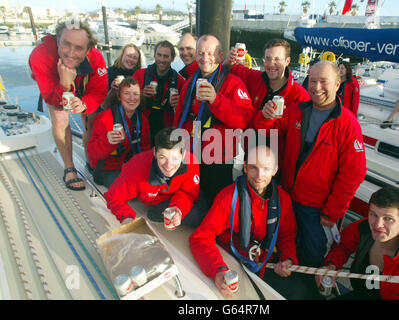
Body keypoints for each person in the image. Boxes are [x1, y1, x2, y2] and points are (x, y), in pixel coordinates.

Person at [253, 60, 367, 268]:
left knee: (312, 254)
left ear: (337, 84)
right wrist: (265, 116)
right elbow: (267, 132)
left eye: (324, 82)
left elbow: (354, 173)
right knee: (282, 244)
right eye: (313, 81)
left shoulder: (347, 124)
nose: (316, 87)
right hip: (287, 197)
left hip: (318, 209)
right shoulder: (296, 110)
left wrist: (332, 212)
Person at [189, 145, 314, 299]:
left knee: (299, 291)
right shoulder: (228, 198)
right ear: (245, 168)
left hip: (264, 265)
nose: (259, 175)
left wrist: (287, 258)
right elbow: (200, 238)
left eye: (266, 169)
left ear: (275, 170)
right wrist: (218, 270)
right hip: (232, 263)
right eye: (254, 168)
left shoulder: (283, 200)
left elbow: (287, 235)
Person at [317, 186, 399, 300]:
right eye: (373, 214)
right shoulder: (363, 229)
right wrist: (331, 266)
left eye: (388, 219)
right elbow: (343, 247)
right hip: (362, 294)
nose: (377, 225)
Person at [173, 34, 255, 206]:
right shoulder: (189, 84)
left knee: (216, 202)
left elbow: (244, 119)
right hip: (192, 152)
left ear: (220, 56)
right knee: (191, 195)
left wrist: (216, 100)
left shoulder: (234, 83)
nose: (205, 58)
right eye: (201, 53)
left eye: (210, 54)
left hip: (219, 156)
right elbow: (180, 116)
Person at [29, 19, 108, 191]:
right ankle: (69, 167)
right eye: (66, 44)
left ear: (88, 49)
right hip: (56, 85)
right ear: (58, 40)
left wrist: (85, 104)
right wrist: (64, 85)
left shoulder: (96, 58)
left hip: (83, 85)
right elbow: (51, 98)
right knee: (59, 116)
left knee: (91, 119)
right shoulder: (40, 56)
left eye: (79, 48)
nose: (71, 53)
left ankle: (90, 160)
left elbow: (99, 92)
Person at [104, 127, 206, 228]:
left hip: (170, 198)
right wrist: (127, 219)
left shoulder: (192, 163)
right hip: (147, 197)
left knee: (198, 215)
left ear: (183, 155)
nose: (169, 165)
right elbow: (113, 197)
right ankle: (156, 211)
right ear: (155, 153)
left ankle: (157, 212)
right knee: (113, 183)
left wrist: (178, 209)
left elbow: (187, 193)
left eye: (175, 158)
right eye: (162, 157)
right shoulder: (136, 166)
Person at [86, 77, 151, 187]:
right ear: (119, 97)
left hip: (130, 165)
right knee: (129, 186)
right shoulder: (105, 118)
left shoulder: (142, 119)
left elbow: (145, 147)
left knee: (154, 181)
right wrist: (107, 141)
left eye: (135, 94)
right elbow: (92, 152)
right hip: (107, 170)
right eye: (127, 93)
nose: (132, 98)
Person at [226, 38, 309, 111]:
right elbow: (233, 68)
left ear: (287, 61)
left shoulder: (300, 96)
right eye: (268, 58)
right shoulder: (255, 78)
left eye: (277, 59)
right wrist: (230, 59)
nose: (271, 64)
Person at [133, 40, 186, 145]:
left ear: (172, 59)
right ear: (154, 55)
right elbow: (128, 100)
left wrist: (179, 103)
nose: (162, 59)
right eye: (159, 55)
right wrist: (141, 94)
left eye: (166, 56)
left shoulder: (180, 81)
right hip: (143, 125)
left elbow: (186, 107)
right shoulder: (140, 75)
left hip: (166, 127)